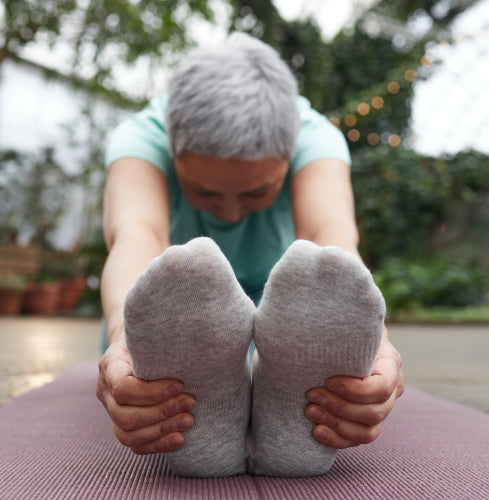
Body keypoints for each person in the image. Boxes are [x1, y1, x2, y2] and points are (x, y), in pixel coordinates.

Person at [96, 32, 404, 477]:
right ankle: (228, 388)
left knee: (297, 329)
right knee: (175, 340)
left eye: (257, 191)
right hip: (173, 316)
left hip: (282, 311)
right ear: (172, 148)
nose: (229, 212)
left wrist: (375, 344)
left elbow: (330, 239)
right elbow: (136, 233)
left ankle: (270, 387)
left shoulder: (317, 136)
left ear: (290, 152)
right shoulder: (141, 136)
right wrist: (124, 336)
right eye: (203, 190)